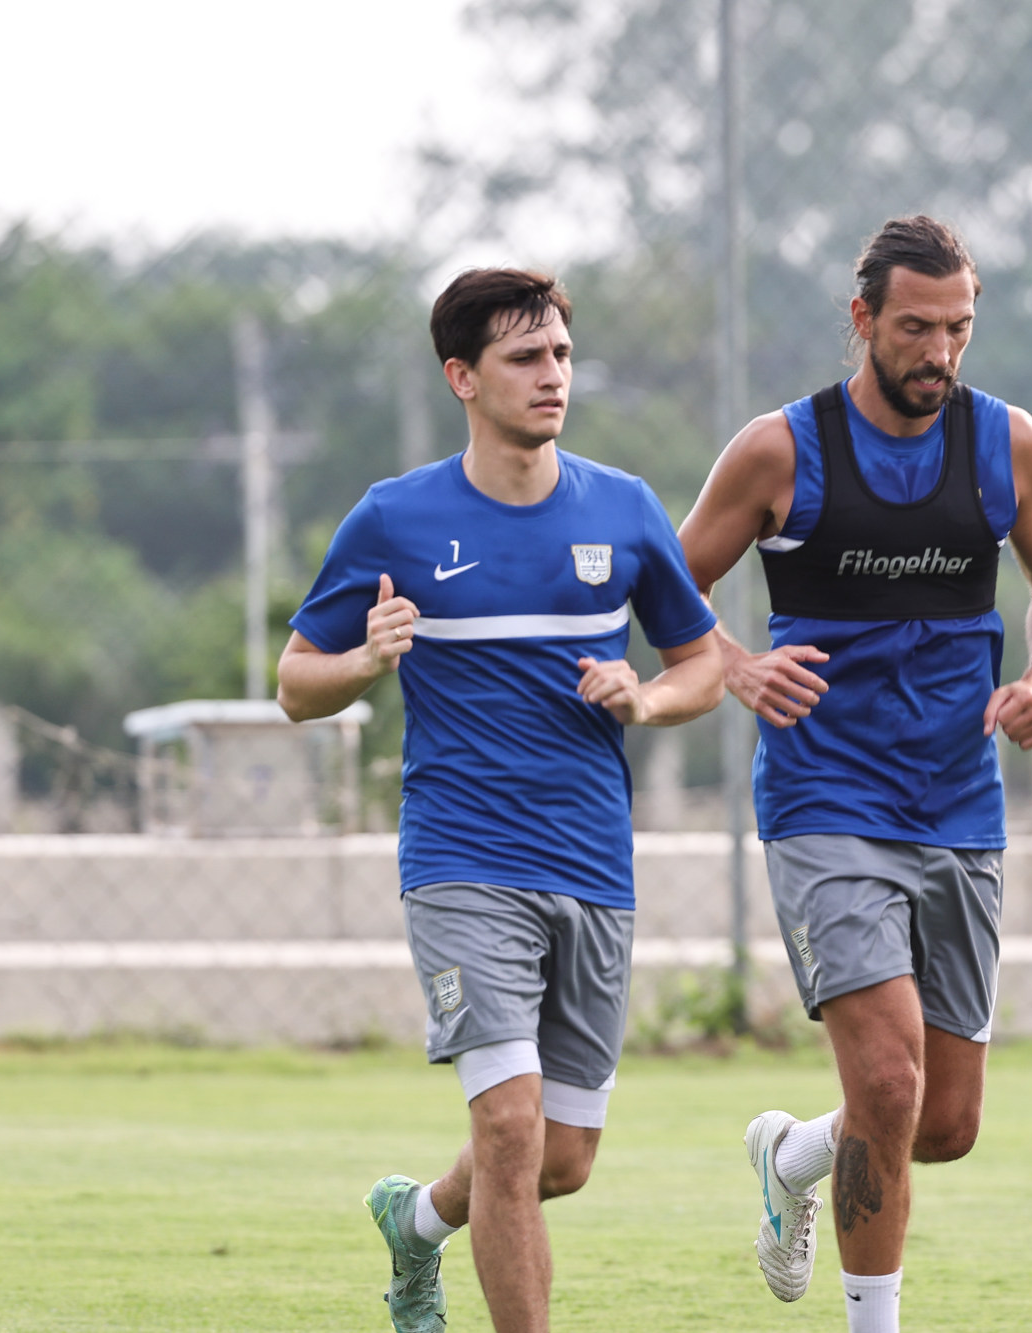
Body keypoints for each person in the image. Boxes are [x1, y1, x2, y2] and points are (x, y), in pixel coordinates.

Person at [276, 268, 723, 1333]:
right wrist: (365, 661)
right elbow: (295, 681)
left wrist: (646, 696)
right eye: (525, 358)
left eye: (561, 354)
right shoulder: (395, 518)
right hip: (461, 857)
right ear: (460, 378)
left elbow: (702, 661)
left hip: (592, 864)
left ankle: (419, 1222)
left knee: (558, 1157)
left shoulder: (622, 508)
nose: (551, 375)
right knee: (511, 1129)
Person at [677, 215, 1032, 1333]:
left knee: (941, 1121)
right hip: (825, 800)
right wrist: (736, 667)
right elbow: (667, 590)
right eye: (914, 328)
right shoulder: (779, 449)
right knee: (889, 1086)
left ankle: (790, 1155)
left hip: (957, 801)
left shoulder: (1007, 446)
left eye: (957, 328)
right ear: (860, 320)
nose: (938, 353)